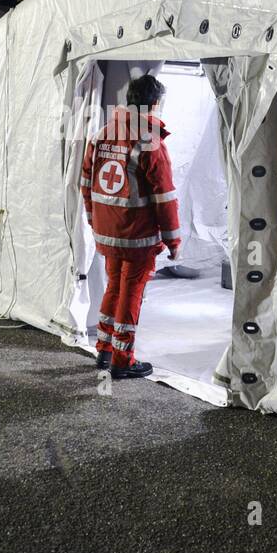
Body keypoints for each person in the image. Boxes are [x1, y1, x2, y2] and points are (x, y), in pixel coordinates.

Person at [79, 74, 182, 380]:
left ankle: (105, 350)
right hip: (137, 236)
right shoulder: (150, 143)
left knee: (113, 286)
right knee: (131, 293)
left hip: (107, 231)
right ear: (155, 104)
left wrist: (93, 218)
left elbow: (85, 183)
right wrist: (173, 241)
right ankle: (123, 361)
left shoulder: (101, 136)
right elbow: (165, 198)